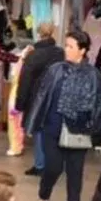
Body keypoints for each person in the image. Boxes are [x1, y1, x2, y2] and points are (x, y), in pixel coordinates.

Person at [26, 30, 99, 201]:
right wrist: (33, 123)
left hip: (79, 129)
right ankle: (44, 194)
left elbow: (98, 103)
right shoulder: (55, 70)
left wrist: (94, 126)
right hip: (53, 128)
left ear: (82, 51)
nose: (66, 49)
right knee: (53, 167)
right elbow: (41, 97)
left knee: (75, 172)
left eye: (71, 46)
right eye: (66, 45)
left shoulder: (92, 74)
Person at [15, 23, 64, 178]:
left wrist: (20, 103)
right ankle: (52, 163)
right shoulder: (60, 53)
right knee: (52, 131)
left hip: (37, 98)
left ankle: (40, 165)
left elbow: (25, 81)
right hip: (56, 96)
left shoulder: (34, 55)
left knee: (38, 131)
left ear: (38, 34)